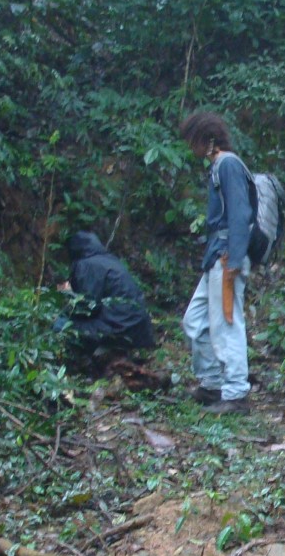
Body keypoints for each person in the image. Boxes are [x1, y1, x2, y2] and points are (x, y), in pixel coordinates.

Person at [178, 110, 255, 414]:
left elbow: (240, 214)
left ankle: (236, 395)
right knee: (195, 320)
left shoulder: (228, 164)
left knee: (226, 324)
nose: (190, 148)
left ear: (206, 139)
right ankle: (211, 385)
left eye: (192, 141)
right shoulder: (218, 167)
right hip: (217, 256)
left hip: (227, 257)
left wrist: (234, 261)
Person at [55, 230, 156, 362]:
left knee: (59, 324)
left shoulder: (86, 265)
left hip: (119, 327)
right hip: (138, 329)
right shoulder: (109, 260)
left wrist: (67, 295)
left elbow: (88, 308)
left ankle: (76, 361)